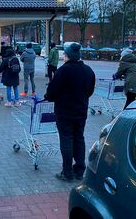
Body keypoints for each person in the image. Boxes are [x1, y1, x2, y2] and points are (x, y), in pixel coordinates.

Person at [45, 42, 95, 182]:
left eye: (64, 55)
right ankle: (79, 170)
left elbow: (52, 92)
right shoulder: (88, 70)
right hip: (81, 112)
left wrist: (48, 97)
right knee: (79, 138)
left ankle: (67, 172)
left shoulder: (63, 71)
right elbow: (90, 91)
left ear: (68, 56)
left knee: (66, 139)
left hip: (64, 112)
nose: (63, 58)